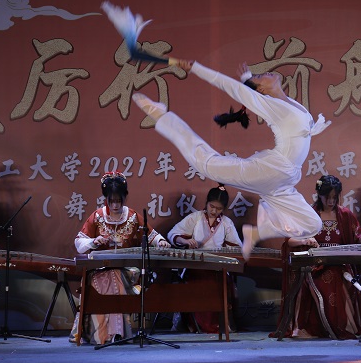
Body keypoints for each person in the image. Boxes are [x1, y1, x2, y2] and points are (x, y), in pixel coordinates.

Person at [132, 59, 331, 261]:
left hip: (285, 179)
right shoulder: (272, 106)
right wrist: (196, 68)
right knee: (207, 164)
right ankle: (162, 116)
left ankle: (257, 233)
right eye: (260, 77)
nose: (266, 73)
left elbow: (250, 88)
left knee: (313, 224)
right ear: (261, 89)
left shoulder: (293, 104)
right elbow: (228, 85)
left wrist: (248, 78)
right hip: (273, 170)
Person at [71, 171, 171, 345]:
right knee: (107, 277)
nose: (115, 205)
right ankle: (107, 334)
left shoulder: (132, 217)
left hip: (128, 271)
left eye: (119, 201)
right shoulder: (97, 217)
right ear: (106, 199)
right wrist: (94, 241)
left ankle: (115, 333)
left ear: (125, 198)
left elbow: (153, 235)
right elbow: (79, 242)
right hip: (99, 270)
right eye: (111, 201)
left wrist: (161, 241)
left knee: (114, 275)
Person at [274, 175, 361, 339]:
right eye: (327, 197)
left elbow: (357, 237)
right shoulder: (309, 214)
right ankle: (319, 327)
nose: (331, 201)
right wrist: (305, 240)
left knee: (340, 276)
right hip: (314, 264)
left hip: (339, 263)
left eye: (335, 197)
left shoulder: (345, 215)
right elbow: (289, 241)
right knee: (324, 278)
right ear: (319, 194)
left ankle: (342, 326)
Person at [167, 183, 242, 333]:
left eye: (219, 208)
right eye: (211, 206)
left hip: (217, 265)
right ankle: (196, 324)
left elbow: (237, 246)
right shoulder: (195, 218)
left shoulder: (226, 223)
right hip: (195, 265)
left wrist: (223, 251)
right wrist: (186, 241)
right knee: (200, 281)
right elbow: (172, 234)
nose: (214, 211)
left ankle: (218, 323)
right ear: (206, 203)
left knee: (222, 282)